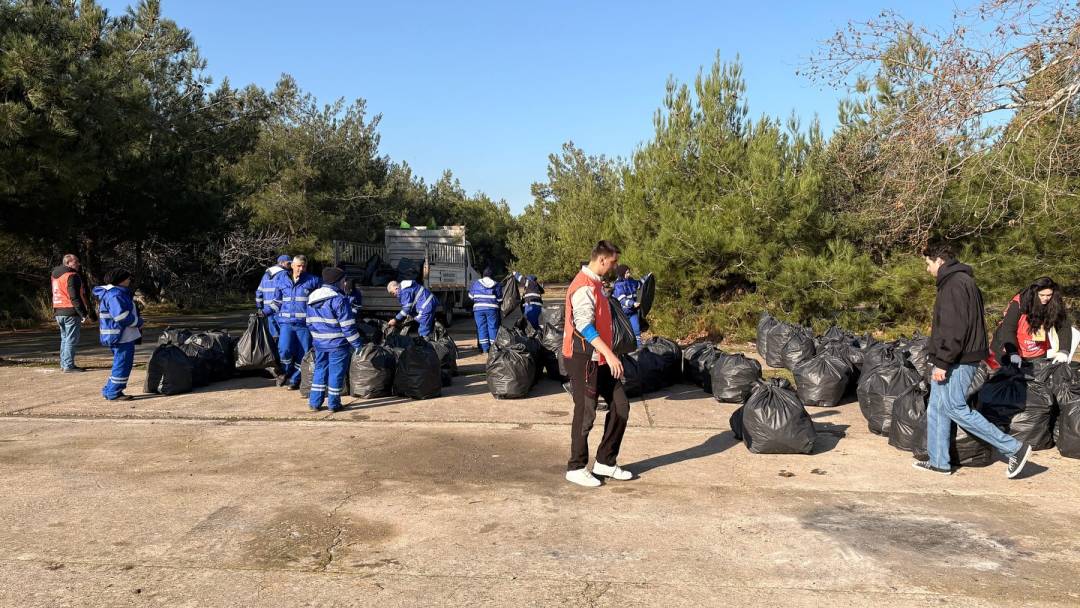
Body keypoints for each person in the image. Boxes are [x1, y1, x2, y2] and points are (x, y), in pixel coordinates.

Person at [917, 244, 1033, 478]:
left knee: (955, 408)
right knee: (937, 407)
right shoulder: (961, 281)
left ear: (939, 260)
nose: (927, 269)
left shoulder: (954, 284)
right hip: (957, 356)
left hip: (958, 359)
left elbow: (954, 329)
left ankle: (1014, 449)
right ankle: (939, 462)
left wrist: (943, 362)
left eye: (928, 263)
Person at [562, 240, 633, 487]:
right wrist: (610, 355)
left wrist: (609, 354)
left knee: (621, 405)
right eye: (613, 262)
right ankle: (576, 467)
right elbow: (584, 326)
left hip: (599, 358)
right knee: (586, 412)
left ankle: (605, 461)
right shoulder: (583, 287)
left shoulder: (597, 284)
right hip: (583, 358)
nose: (615, 266)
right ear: (602, 260)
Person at [305, 267, 362, 412]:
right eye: (343, 280)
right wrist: (357, 344)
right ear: (337, 282)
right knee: (336, 373)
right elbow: (348, 326)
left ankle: (314, 403)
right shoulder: (339, 300)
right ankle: (334, 404)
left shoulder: (312, 298)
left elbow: (309, 323)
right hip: (338, 344)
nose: (345, 283)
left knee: (320, 371)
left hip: (319, 344)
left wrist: (317, 339)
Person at [991, 277, 1073, 368]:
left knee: (1036, 373)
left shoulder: (1054, 302)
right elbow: (1008, 328)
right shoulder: (1020, 302)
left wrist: (1064, 350)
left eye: (1049, 295)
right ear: (1034, 293)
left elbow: (1063, 326)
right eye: (1042, 295)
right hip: (1009, 347)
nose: (1045, 298)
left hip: (1037, 349)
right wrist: (1013, 353)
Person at [93, 269, 143, 401]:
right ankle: (114, 392)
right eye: (127, 278)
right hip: (121, 336)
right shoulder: (115, 295)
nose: (129, 280)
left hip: (120, 335)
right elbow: (121, 317)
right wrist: (139, 322)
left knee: (120, 363)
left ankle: (109, 390)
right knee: (122, 364)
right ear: (121, 280)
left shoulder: (115, 293)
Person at [271, 255, 320, 389]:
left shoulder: (313, 281)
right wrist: (264, 312)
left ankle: (295, 379)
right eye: (298, 266)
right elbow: (276, 302)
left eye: (304, 266)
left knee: (303, 353)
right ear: (292, 265)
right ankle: (286, 372)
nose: (301, 269)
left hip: (304, 325)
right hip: (286, 324)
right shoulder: (281, 280)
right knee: (284, 349)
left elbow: (319, 301)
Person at [51, 253, 95, 372]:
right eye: (76, 262)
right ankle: (68, 365)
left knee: (65, 339)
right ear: (68, 263)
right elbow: (75, 297)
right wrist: (83, 313)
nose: (78, 264)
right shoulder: (72, 275)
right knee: (71, 339)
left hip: (58, 309)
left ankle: (64, 364)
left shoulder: (55, 275)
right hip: (70, 311)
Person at [469, 268, 503, 353]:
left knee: (481, 328)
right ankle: (493, 348)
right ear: (492, 276)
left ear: (483, 275)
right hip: (492, 309)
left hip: (478, 309)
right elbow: (500, 299)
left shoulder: (476, 283)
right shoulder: (496, 284)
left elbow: (471, 296)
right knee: (492, 327)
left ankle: (485, 348)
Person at [256, 255, 291, 338]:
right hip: (279, 309)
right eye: (288, 263)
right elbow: (287, 291)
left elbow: (259, 292)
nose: (290, 265)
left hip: (267, 310)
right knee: (283, 334)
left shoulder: (265, 275)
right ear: (281, 263)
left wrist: (260, 307)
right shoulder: (284, 274)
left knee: (273, 335)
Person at [612, 264, 643, 347]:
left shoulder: (631, 281)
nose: (629, 274)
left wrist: (647, 278)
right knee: (623, 333)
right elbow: (622, 299)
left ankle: (639, 348)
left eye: (629, 272)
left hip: (632, 311)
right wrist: (632, 303)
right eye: (627, 273)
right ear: (622, 273)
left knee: (637, 330)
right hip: (622, 314)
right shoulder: (618, 285)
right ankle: (624, 349)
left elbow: (639, 284)